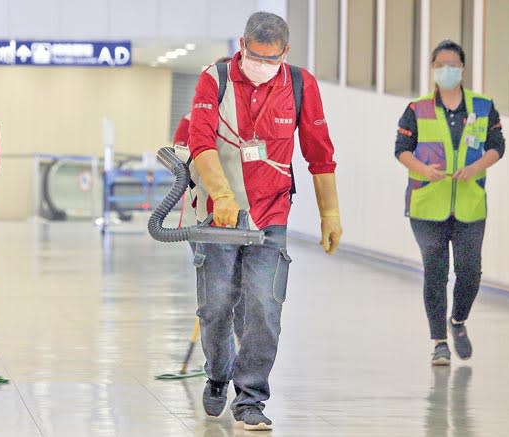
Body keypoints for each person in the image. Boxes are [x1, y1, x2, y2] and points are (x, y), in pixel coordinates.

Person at [188, 12, 342, 430]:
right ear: (242, 45)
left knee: (263, 308)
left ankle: (251, 398)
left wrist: (330, 212)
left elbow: (319, 152)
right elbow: (199, 141)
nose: (260, 64)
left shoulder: (299, 84)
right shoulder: (214, 79)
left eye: (269, 58)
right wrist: (221, 193)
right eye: (253, 55)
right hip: (217, 218)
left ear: (285, 53)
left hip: (270, 215)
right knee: (217, 306)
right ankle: (218, 373)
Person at [394, 40, 505, 366]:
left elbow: (497, 146)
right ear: (432, 69)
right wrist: (424, 170)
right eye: (440, 64)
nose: (447, 69)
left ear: (463, 68)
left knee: (470, 272)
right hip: (427, 205)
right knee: (435, 271)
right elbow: (401, 149)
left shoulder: (483, 107)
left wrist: (475, 168)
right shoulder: (418, 109)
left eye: (452, 64)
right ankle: (439, 342)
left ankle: (457, 322)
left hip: (470, 204)